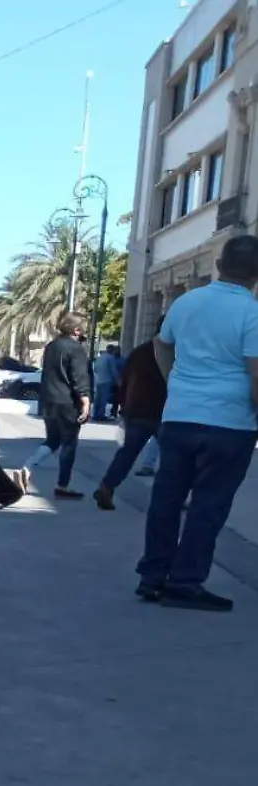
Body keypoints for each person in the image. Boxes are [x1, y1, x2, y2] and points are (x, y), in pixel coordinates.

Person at [136, 235, 258, 611]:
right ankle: (186, 581)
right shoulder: (252, 314)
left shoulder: (187, 302)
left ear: (219, 265)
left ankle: (152, 576)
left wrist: (175, 381)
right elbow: (256, 374)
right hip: (230, 421)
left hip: (180, 416)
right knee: (209, 504)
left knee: (167, 498)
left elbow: (161, 343)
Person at [95, 333, 168, 512]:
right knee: (174, 456)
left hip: (136, 409)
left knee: (128, 452)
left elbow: (125, 381)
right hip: (162, 410)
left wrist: (123, 407)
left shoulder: (139, 352)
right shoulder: (173, 353)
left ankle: (107, 485)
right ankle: (171, 498)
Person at [24, 314, 91, 500]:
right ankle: (63, 485)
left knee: (53, 440)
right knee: (69, 444)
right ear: (77, 330)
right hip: (67, 402)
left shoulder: (51, 346)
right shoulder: (75, 349)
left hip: (48, 400)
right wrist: (85, 400)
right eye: (83, 328)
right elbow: (79, 377)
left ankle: (28, 467)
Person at [94, 342, 123, 422]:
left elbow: (95, 368)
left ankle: (95, 414)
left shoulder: (100, 357)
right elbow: (113, 371)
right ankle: (101, 415)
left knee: (97, 398)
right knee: (103, 399)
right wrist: (118, 381)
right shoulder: (111, 358)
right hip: (106, 380)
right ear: (112, 350)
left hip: (98, 380)